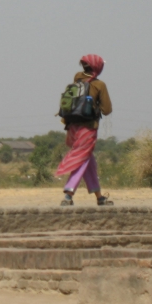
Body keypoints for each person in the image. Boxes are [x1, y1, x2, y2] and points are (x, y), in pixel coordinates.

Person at [55, 54, 113, 206]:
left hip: (72, 128)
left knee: (89, 162)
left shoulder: (77, 79)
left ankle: (99, 197)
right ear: (98, 68)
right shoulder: (99, 85)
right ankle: (68, 193)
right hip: (88, 129)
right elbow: (107, 110)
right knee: (82, 159)